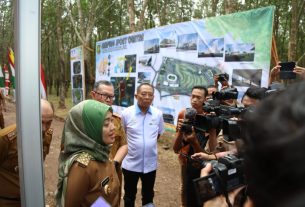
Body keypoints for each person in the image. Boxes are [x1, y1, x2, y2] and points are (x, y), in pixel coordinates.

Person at [201, 81, 305, 207]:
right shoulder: (234, 127)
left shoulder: (281, 140)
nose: (243, 114)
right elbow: (233, 152)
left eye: (251, 110)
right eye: (243, 107)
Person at [56, 100, 120, 207]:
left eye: (112, 121)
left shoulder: (103, 151)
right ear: (90, 129)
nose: (113, 127)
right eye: (106, 124)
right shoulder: (82, 167)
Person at [0, 99, 54, 206]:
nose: (44, 128)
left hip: (32, 199)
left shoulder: (47, 136)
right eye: (41, 121)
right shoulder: (6, 139)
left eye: (49, 122)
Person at [121, 83, 164, 207]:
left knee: (148, 195)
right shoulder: (126, 113)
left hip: (150, 165)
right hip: (130, 164)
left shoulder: (158, 114)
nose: (147, 97)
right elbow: (123, 135)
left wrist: (148, 145)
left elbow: (158, 134)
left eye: (150, 95)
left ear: (153, 97)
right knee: (129, 195)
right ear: (136, 95)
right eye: (143, 94)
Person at [173, 86, 217, 207]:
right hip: (187, 162)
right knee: (187, 193)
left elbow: (213, 151)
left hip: (207, 164)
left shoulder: (211, 117)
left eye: (198, 97)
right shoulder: (184, 113)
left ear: (205, 99)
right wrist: (180, 131)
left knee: (204, 195)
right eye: (193, 96)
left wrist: (212, 129)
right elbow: (176, 149)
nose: (194, 100)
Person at [91, 80, 128, 204]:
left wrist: (115, 163)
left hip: (113, 173)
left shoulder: (116, 120)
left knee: (113, 201)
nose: (109, 100)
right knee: (94, 202)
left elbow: (124, 145)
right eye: (105, 96)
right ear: (93, 94)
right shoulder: (82, 118)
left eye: (112, 97)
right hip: (91, 175)